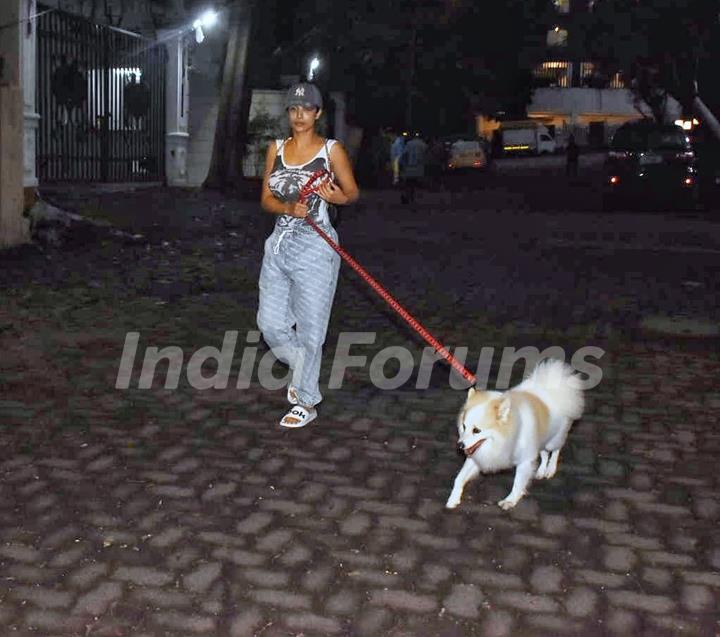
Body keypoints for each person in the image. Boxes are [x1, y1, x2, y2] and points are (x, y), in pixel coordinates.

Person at [257, 82, 360, 428]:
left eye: (306, 109)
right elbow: (265, 200)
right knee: (269, 324)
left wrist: (335, 198)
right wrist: (288, 207)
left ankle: (306, 400)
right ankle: (303, 370)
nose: (299, 115)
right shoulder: (276, 149)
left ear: (318, 113)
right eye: (293, 109)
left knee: (312, 331)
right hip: (279, 246)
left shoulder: (332, 151)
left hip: (317, 251)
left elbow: (352, 193)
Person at [400, 132, 428, 204]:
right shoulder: (423, 144)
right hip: (419, 166)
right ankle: (413, 198)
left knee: (408, 183)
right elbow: (426, 155)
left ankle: (408, 196)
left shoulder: (409, 144)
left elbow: (404, 154)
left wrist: (403, 164)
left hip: (410, 166)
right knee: (416, 183)